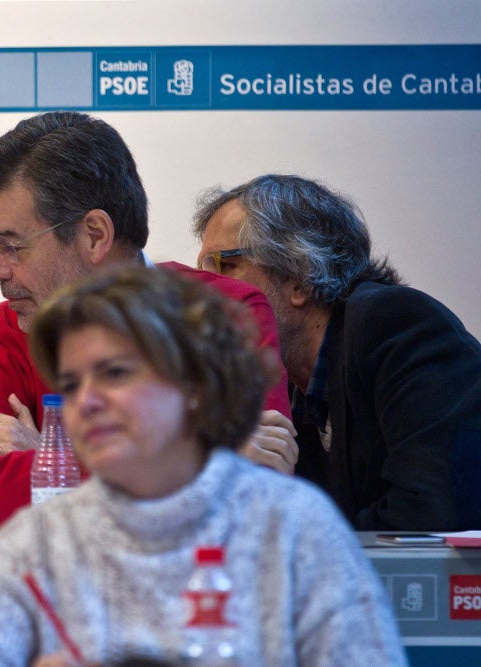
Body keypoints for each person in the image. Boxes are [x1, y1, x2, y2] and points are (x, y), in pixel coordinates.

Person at [0, 266, 406, 667]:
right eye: (70, 382)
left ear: (194, 386)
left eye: (115, 373)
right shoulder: (39, 541)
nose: (84, 402)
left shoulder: (295, 527)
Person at [0, 111, 296, 533]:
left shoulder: (228, 311)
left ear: (95, 234)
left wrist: (53, 459)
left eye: (10, 246)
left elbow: (256, 491)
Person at [193, 174, 481, 531]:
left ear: (300, 276)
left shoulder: (395, 324)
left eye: (222, 266)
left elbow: (434, 510)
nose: (208, 291)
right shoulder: (272, 388)